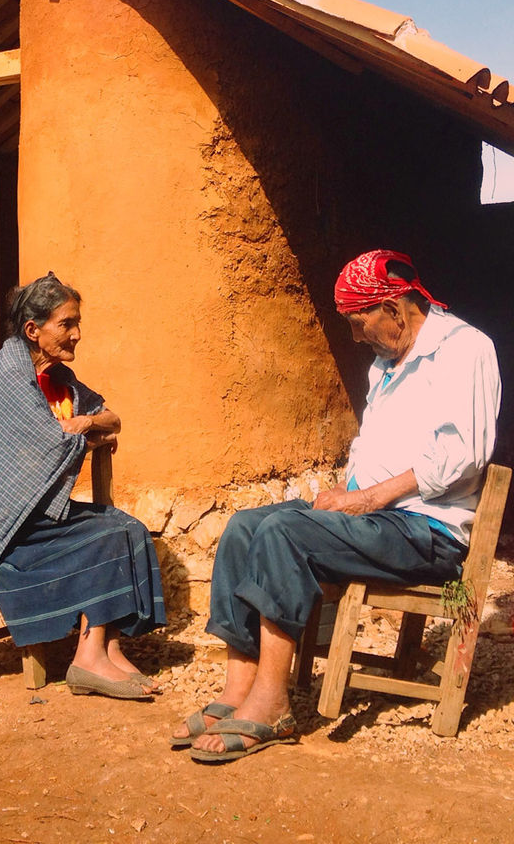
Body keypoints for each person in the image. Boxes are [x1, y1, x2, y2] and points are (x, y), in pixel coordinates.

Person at [174, 249, 501, 762]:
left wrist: (364, 499)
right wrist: (345, 498)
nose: (354, 336)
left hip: (426, 531)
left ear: (393, 307)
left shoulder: (465, 350)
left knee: (285, 531)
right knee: (243, 527)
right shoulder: (386, 365)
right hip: (376, 521)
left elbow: (463, 457)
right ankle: (238, 689)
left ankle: (272, 702)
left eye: (357, 321)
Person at [0, 272, 166, 699]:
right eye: (66, 324)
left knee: (127, 529)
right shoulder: (9, 372)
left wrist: (87, 423)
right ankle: (89, 658)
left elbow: (111, 420)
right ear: (33, 331)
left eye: (77, 323)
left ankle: (105, 649)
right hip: (5, 531)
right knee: (108, 535)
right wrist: (83, 436)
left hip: (36, 517)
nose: (77, 334)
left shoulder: (57, 379)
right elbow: (47, 443)